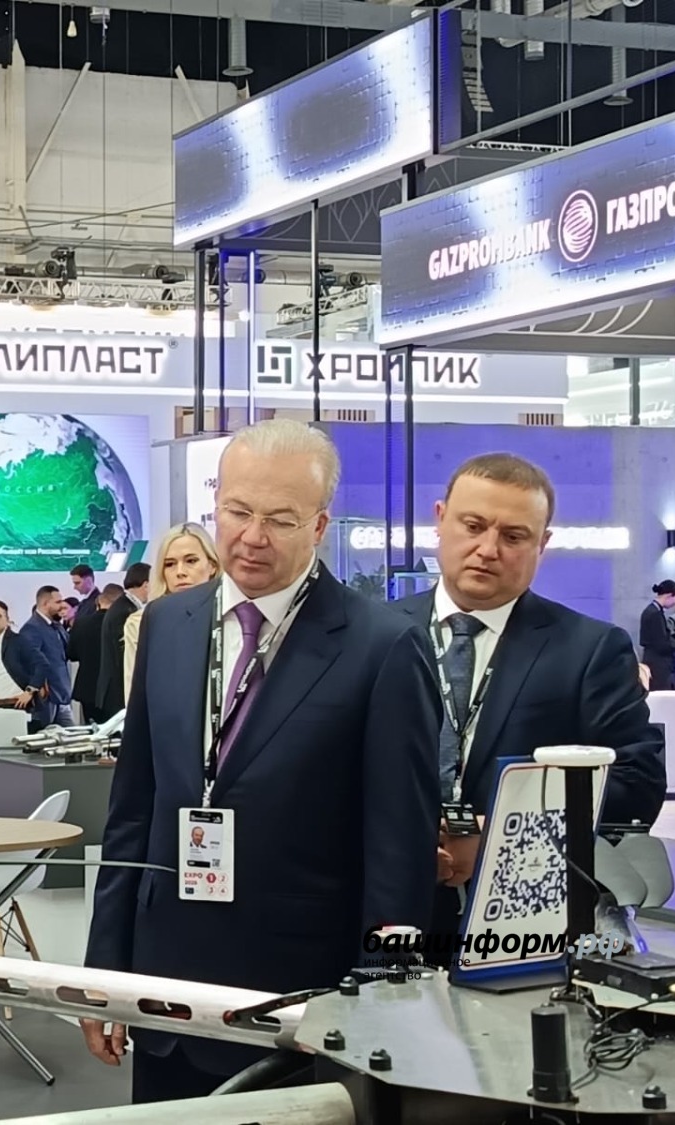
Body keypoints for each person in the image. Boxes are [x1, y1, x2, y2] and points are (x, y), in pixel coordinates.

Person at [82, 420, 440, 1103]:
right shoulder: (168, 623)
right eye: (238, 511)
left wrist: (380, 1000)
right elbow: (133, 809)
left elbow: (399, 849)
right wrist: (106, 971)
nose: (252, 536)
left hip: (300, 1004)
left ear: (319, 525)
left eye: (279, 519)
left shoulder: (382, 646)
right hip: (165, 990)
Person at [393, 454, 666, 942]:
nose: (488, 549)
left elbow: (636, 783)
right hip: (382, 908)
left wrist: (503, 831)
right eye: (473, 526)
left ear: (543, 544)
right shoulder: (376, 635)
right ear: (440, 520)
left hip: (526, 919)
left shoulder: (588, 649)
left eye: (514, 536)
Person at [123, 523, 219, 705]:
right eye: (170, 564)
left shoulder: (232, 616)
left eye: (191, 561)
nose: (180, 572)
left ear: (212, 565)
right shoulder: (142, 622)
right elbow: (134, 698)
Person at [94, 562, 150, 720]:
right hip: (118, 691)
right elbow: (124, 655)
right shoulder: (125, 612)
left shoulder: (124, 606)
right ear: (146, 584)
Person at [0, 599, 47, 723]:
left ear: (7, 619)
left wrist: (30, 691)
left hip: (17, 705)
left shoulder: (19, 641)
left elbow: (42, 664)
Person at [20, 585, 73, 728]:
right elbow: (29, 662)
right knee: (45, 735)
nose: (62, 605)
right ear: (45, 604)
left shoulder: (57, 626)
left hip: (62, 695)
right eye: (58, 602)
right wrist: (39, 688)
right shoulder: (31, 628)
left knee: (72, 735)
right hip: (47, 698)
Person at [68, 583, 120, 724]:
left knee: (93, 730)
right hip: (114, 689)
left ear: (98, 603)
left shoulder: (81, 623)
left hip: (87, 688)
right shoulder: (121, 623)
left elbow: (72, 654)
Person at [639, 579, 675, 691]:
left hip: (653, 661)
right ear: (669, 596)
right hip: (658, 664)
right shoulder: (655, 614)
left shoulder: (652, 611)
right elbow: (662, 644)